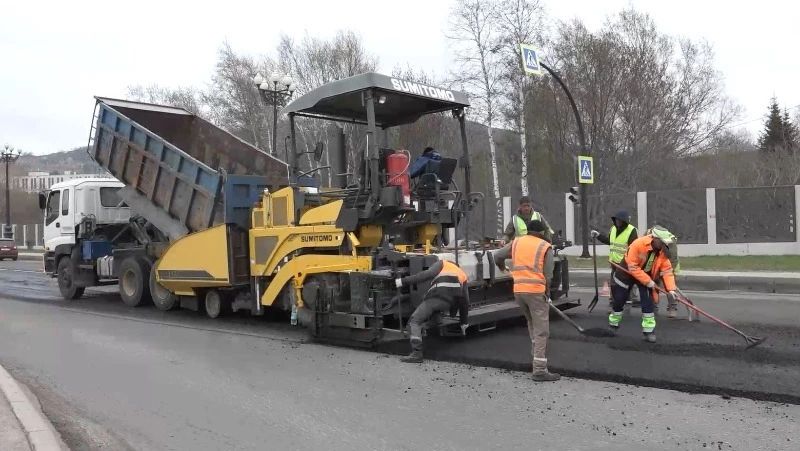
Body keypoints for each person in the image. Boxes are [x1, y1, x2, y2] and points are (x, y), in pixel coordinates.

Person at [493, 219, 560, 381]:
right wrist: (547, 293)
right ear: (541, 232)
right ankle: (539, 370)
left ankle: (534, 356)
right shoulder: (545, 247)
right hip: (536, 292)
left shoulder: (516, 243)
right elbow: (548, 275)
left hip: (519, 291)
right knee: (542, 330)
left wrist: (504, 269)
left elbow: (497, 256)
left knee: (532, 324)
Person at [609, 227, 679, 343]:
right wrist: (648, 281)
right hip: (627, 271)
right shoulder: (638, 244)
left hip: (645, 274)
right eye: (662, 242)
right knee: (620, 299)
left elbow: (667, 271)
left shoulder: (663, 251)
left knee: (647, 301)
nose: (664, 244)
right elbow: (633, 267)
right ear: (655, 239)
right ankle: (613, 324)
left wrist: (671, 289)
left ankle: (649, 330)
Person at [395, 259, 469, 363]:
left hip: (437, 297)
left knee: (414, 321)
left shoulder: (443, 263)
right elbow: (465, 300)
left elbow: (426, 275)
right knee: (433, 317)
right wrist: (463, 322)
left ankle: (417, 353)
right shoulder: (462, 274)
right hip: (450, 303)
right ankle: (431, 324)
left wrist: (403, 281)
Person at [591, 210, 639, 313]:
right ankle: (615, 305)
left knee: (625, 286)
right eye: (616, 220)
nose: (617, 222)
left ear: (624, 221)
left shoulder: (632, 231)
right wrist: (598, 235)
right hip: (614, 263)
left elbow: (634, 248)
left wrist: (630, 263)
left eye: (619, 220)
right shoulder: (613, 229)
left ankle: (626, 305)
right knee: (613, 285)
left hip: (625, 264)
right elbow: (610, 241)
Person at [647, 225, 681, 318]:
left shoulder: (671, 242)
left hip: (670, 266)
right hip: (656, 265)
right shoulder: (648, 236)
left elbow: (673, 259)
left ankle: (672, 308)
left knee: (670, 288)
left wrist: (667, 271)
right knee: (654, 286)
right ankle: (653, 306)